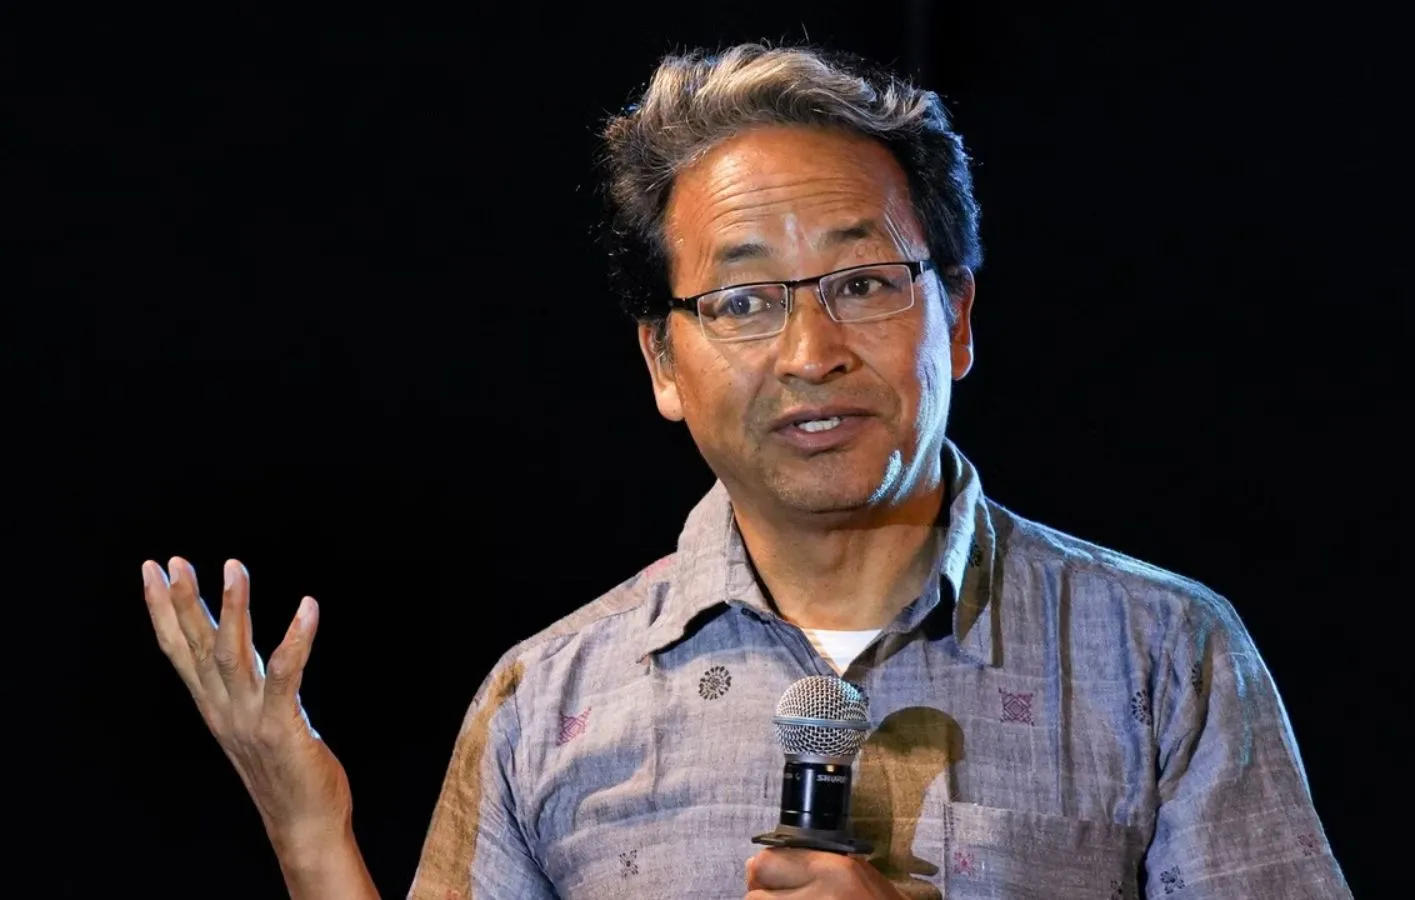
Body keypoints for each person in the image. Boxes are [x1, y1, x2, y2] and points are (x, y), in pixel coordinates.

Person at [141, 42, 1352, 900]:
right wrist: (309, 831)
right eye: (743, 302)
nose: (812, 352)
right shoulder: (545, 701)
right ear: (663, 362)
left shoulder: (1161, 656)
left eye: (863, 283)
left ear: (959, 320)